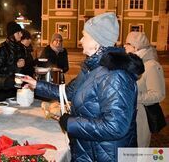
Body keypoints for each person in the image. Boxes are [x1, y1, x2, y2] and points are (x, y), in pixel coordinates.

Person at [22, 12, 145, 161]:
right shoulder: (91, 68)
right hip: (88, 150)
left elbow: (115, 126)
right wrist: (37, 84)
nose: (80, 40)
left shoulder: (115, 75)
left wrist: (69, 122)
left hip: (105, 155)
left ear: (96, 41)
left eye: (84, 36)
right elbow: (68, 92)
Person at [124, 31, 166, 147]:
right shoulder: (134, 63)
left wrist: (135, 96)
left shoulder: (151, 66)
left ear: (135, 47)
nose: (124, 46)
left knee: (139, 150)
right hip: (130, 115)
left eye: (127, 43)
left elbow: (159, 94)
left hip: (141, 117)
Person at [0, 21, 25, 101]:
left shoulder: (21, 47)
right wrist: (16, 66)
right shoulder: (3, 48)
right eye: (18, 33)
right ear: (12, 34)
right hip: (3, 87)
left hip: (17, 86)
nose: (21, 35)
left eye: (21, 32)